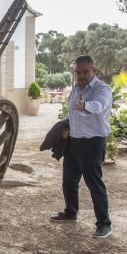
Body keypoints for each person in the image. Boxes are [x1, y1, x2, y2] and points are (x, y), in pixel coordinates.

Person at [50, 55, 113, 238]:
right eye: (78, 72)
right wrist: (65, 126)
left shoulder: (103, 90)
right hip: (74, 141)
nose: (81, 76)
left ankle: (104, 224)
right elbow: (73, 112)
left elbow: (98, 106)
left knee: (94, 184)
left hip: (93, 143)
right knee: (69, 181)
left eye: (85, 71)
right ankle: (71, 213)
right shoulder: (76, 89)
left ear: (95, 70)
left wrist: (85, 104)